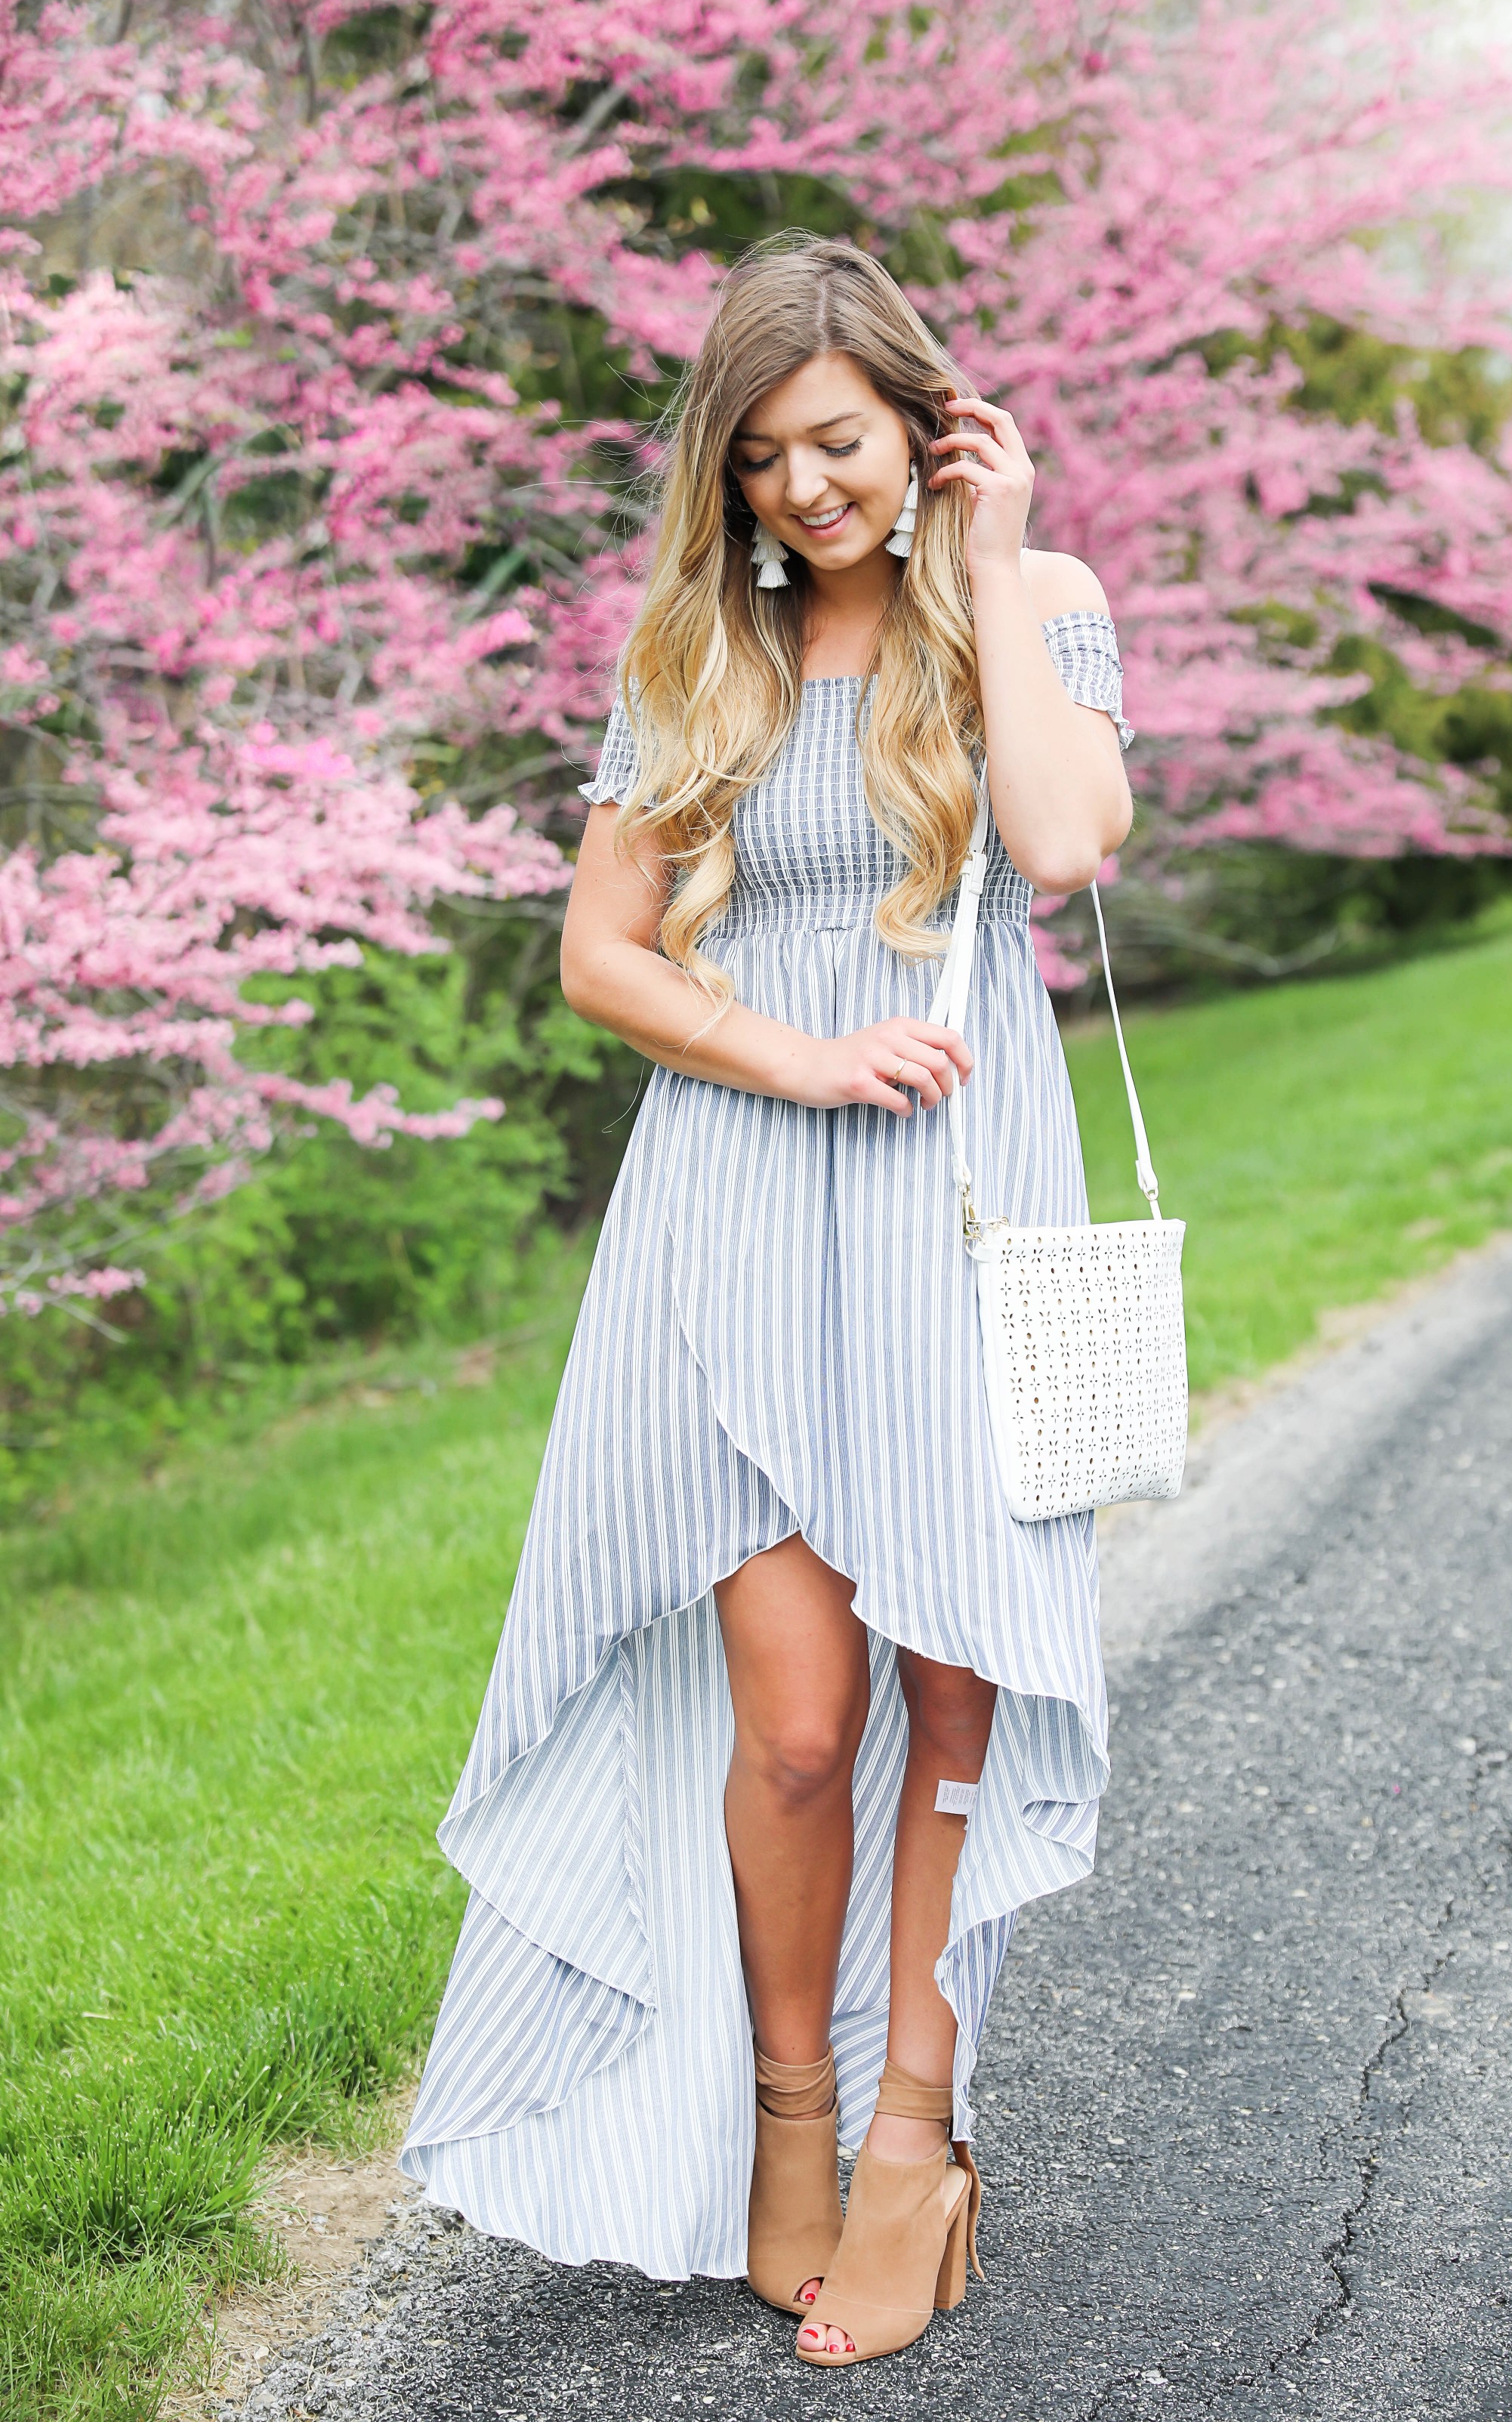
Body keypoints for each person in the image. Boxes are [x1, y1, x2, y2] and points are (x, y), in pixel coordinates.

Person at [400, 235, 1134, 2369]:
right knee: (801, 1728)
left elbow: (1068, 844)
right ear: (723, 475)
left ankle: (920, 2138)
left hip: (960, 1200)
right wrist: (794, 1054)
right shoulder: (694, 656)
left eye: (843, 443)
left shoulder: (1037, 600)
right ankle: (786, 2115)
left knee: (955, 1694)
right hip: (735, 1197)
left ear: (919, 423)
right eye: (767, 457)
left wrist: (989, 557)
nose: (810, 489)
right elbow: (603, 958)